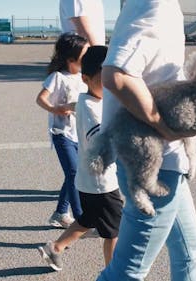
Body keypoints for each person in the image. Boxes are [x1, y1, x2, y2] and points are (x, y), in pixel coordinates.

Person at [96, 0, 196, 280]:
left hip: (164, 162)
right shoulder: (153, 6)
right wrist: (163, 126)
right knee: (127, 272)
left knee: (190, 252)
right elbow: (117, 74)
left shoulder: (157, 6)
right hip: (154, 163)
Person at [38, 45, 123, 271]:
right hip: (102, 182)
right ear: (85, 78)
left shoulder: (90, 100)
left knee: (89, 219)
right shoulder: (92, 108)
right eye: (103, 80)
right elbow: (98, 139)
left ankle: (55, 248)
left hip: (88, 181)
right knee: (114, 231)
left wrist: (70, 106)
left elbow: (80, 105)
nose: (110, 86)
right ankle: (113, 274)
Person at [36, 33, 89, 228]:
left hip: (79, 134)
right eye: (85, 54)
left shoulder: (84, 77)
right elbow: (40, 98)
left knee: (73, 173)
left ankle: (60, 213)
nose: (88, 57)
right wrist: (55, 109)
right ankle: (82, 221)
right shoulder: (57, 77)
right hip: (62, 134)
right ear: (70, 59)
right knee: (75, 173)